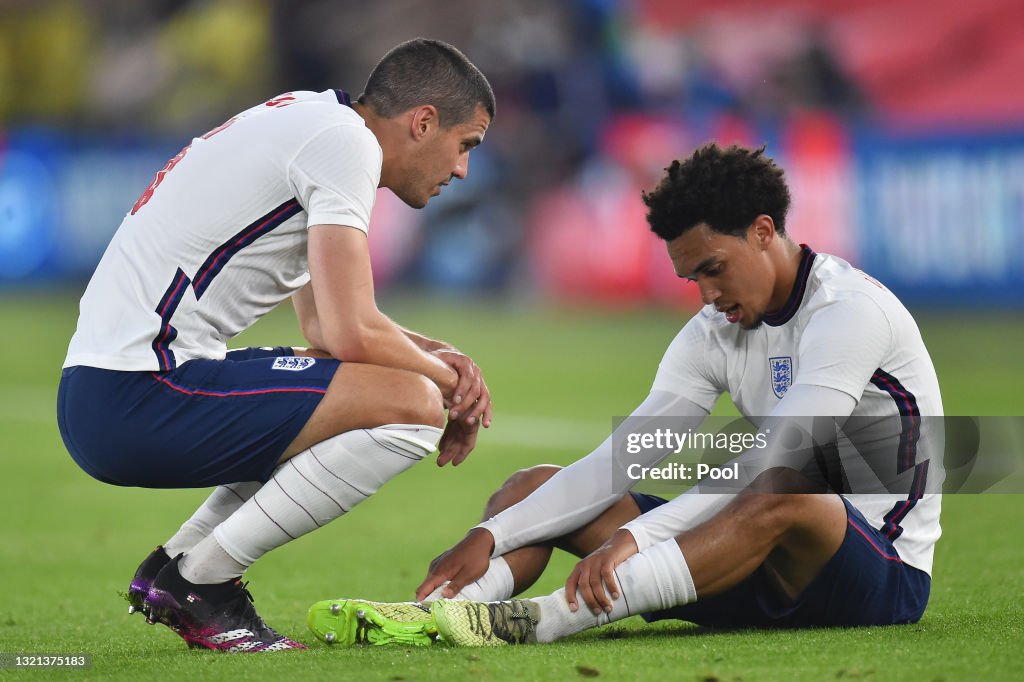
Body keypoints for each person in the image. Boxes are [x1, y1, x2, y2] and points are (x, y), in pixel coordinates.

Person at [306, 143, 942, 647]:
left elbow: (777, 464)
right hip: (746, 566)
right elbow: (626, 459)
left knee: (784, 486)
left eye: (714, 269)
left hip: (874, 574)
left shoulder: (849, 313)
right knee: (528, 488)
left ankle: (545, 619)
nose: (707, 295)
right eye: (692, 278)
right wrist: (492, 536)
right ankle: (445, 611)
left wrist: (637, 539)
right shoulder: (714, 331)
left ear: (763, 230)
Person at [56, 38, 496, 653]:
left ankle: (175, 568)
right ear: (423, 121)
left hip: (109, 387)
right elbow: (350, 332)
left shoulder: (315, 121)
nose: (462, 169)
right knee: (413, 405)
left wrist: (440, 355)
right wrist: (452, 386)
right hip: (139, 391)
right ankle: (203, 582)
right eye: (465, 144)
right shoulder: (345, 145)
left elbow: (325, 329)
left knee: (362, 384)